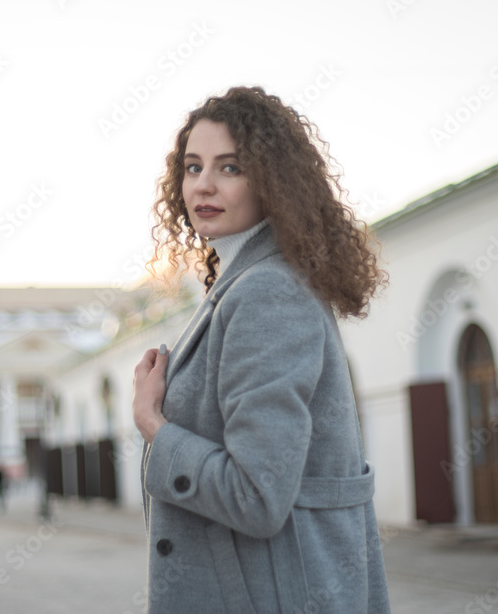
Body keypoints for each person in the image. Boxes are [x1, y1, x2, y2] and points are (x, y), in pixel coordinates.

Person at [133, 86, 391, 613]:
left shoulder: (265, 292)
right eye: (193, 166)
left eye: (229, 168)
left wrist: (155, 427)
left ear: (271, 182)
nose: (203, 184)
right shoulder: (245, 283)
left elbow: (257, 496)